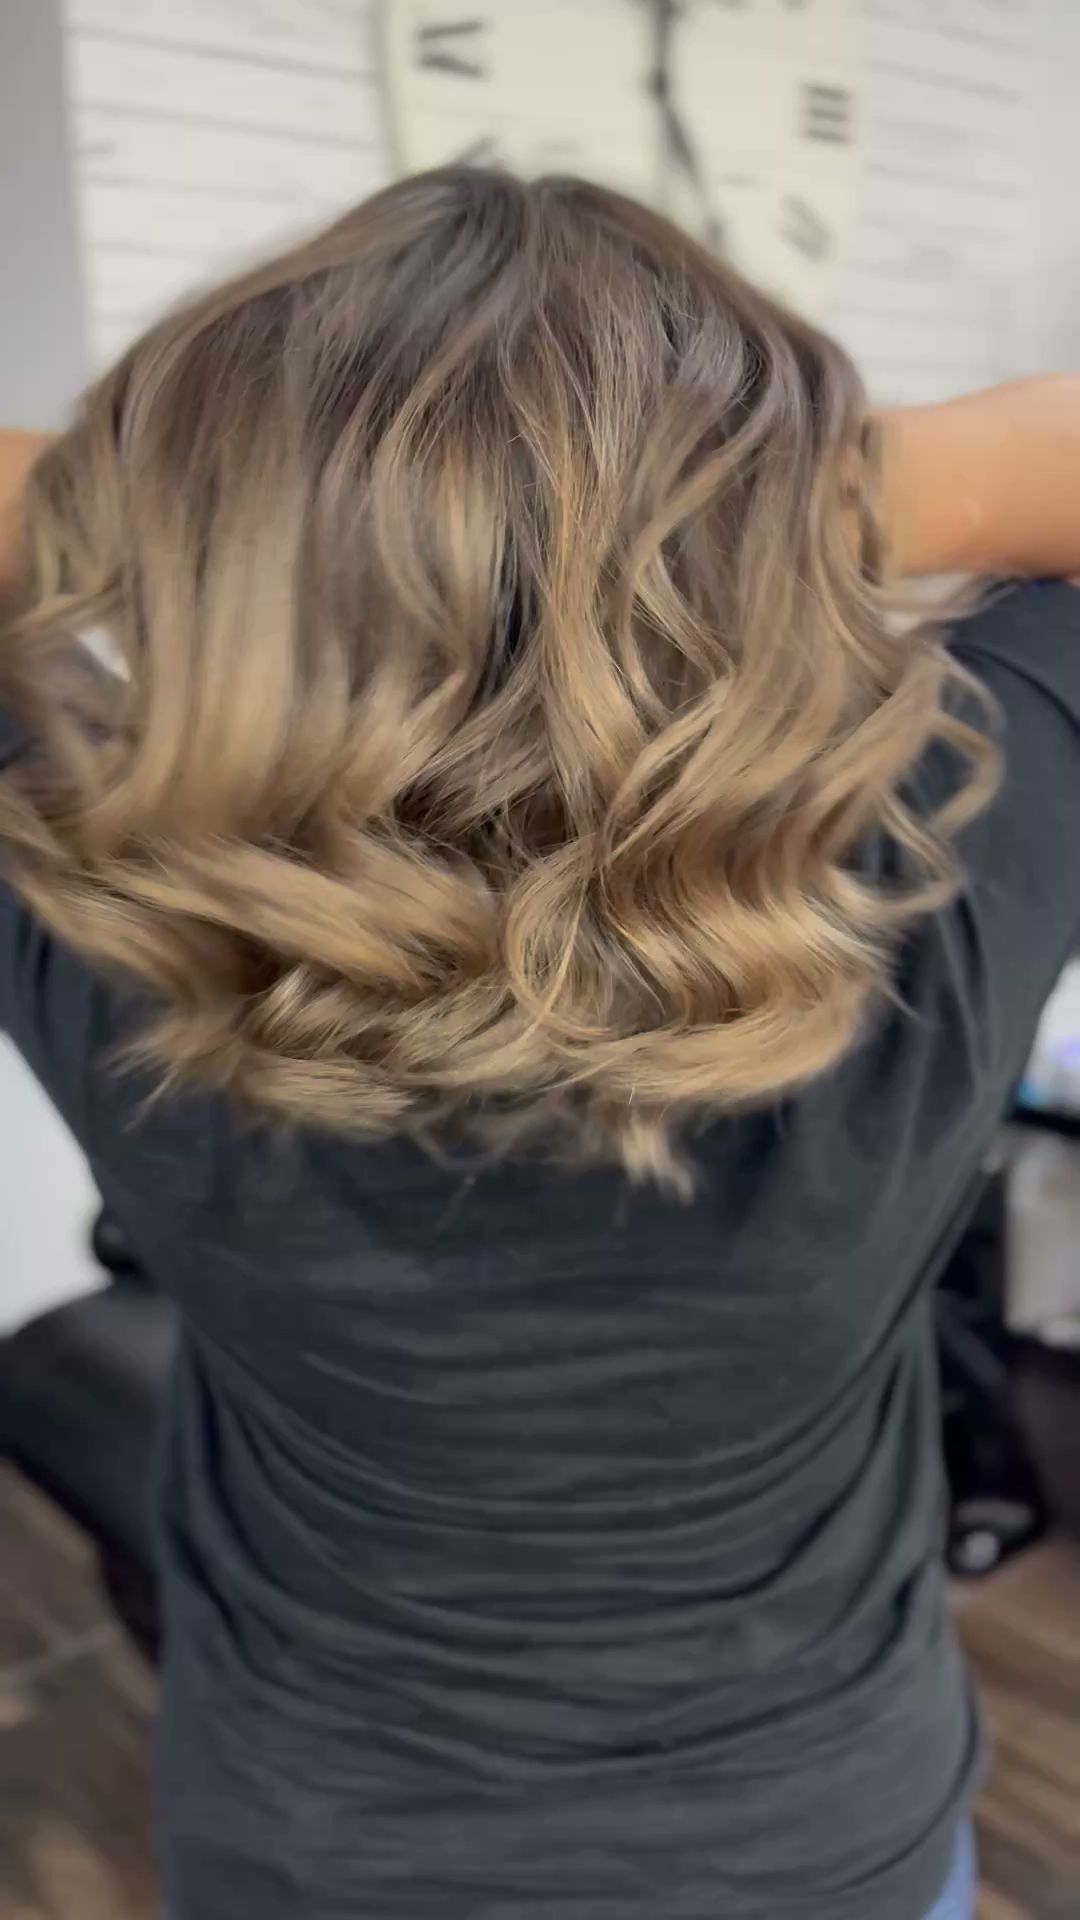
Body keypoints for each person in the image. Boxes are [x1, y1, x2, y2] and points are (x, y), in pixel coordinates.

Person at [1, 169, 1078, 1920]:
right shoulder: (933, 894)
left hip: (315, 1855)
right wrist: (685, 498)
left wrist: (267, 491)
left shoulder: (120, 931)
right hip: (823, 1850)